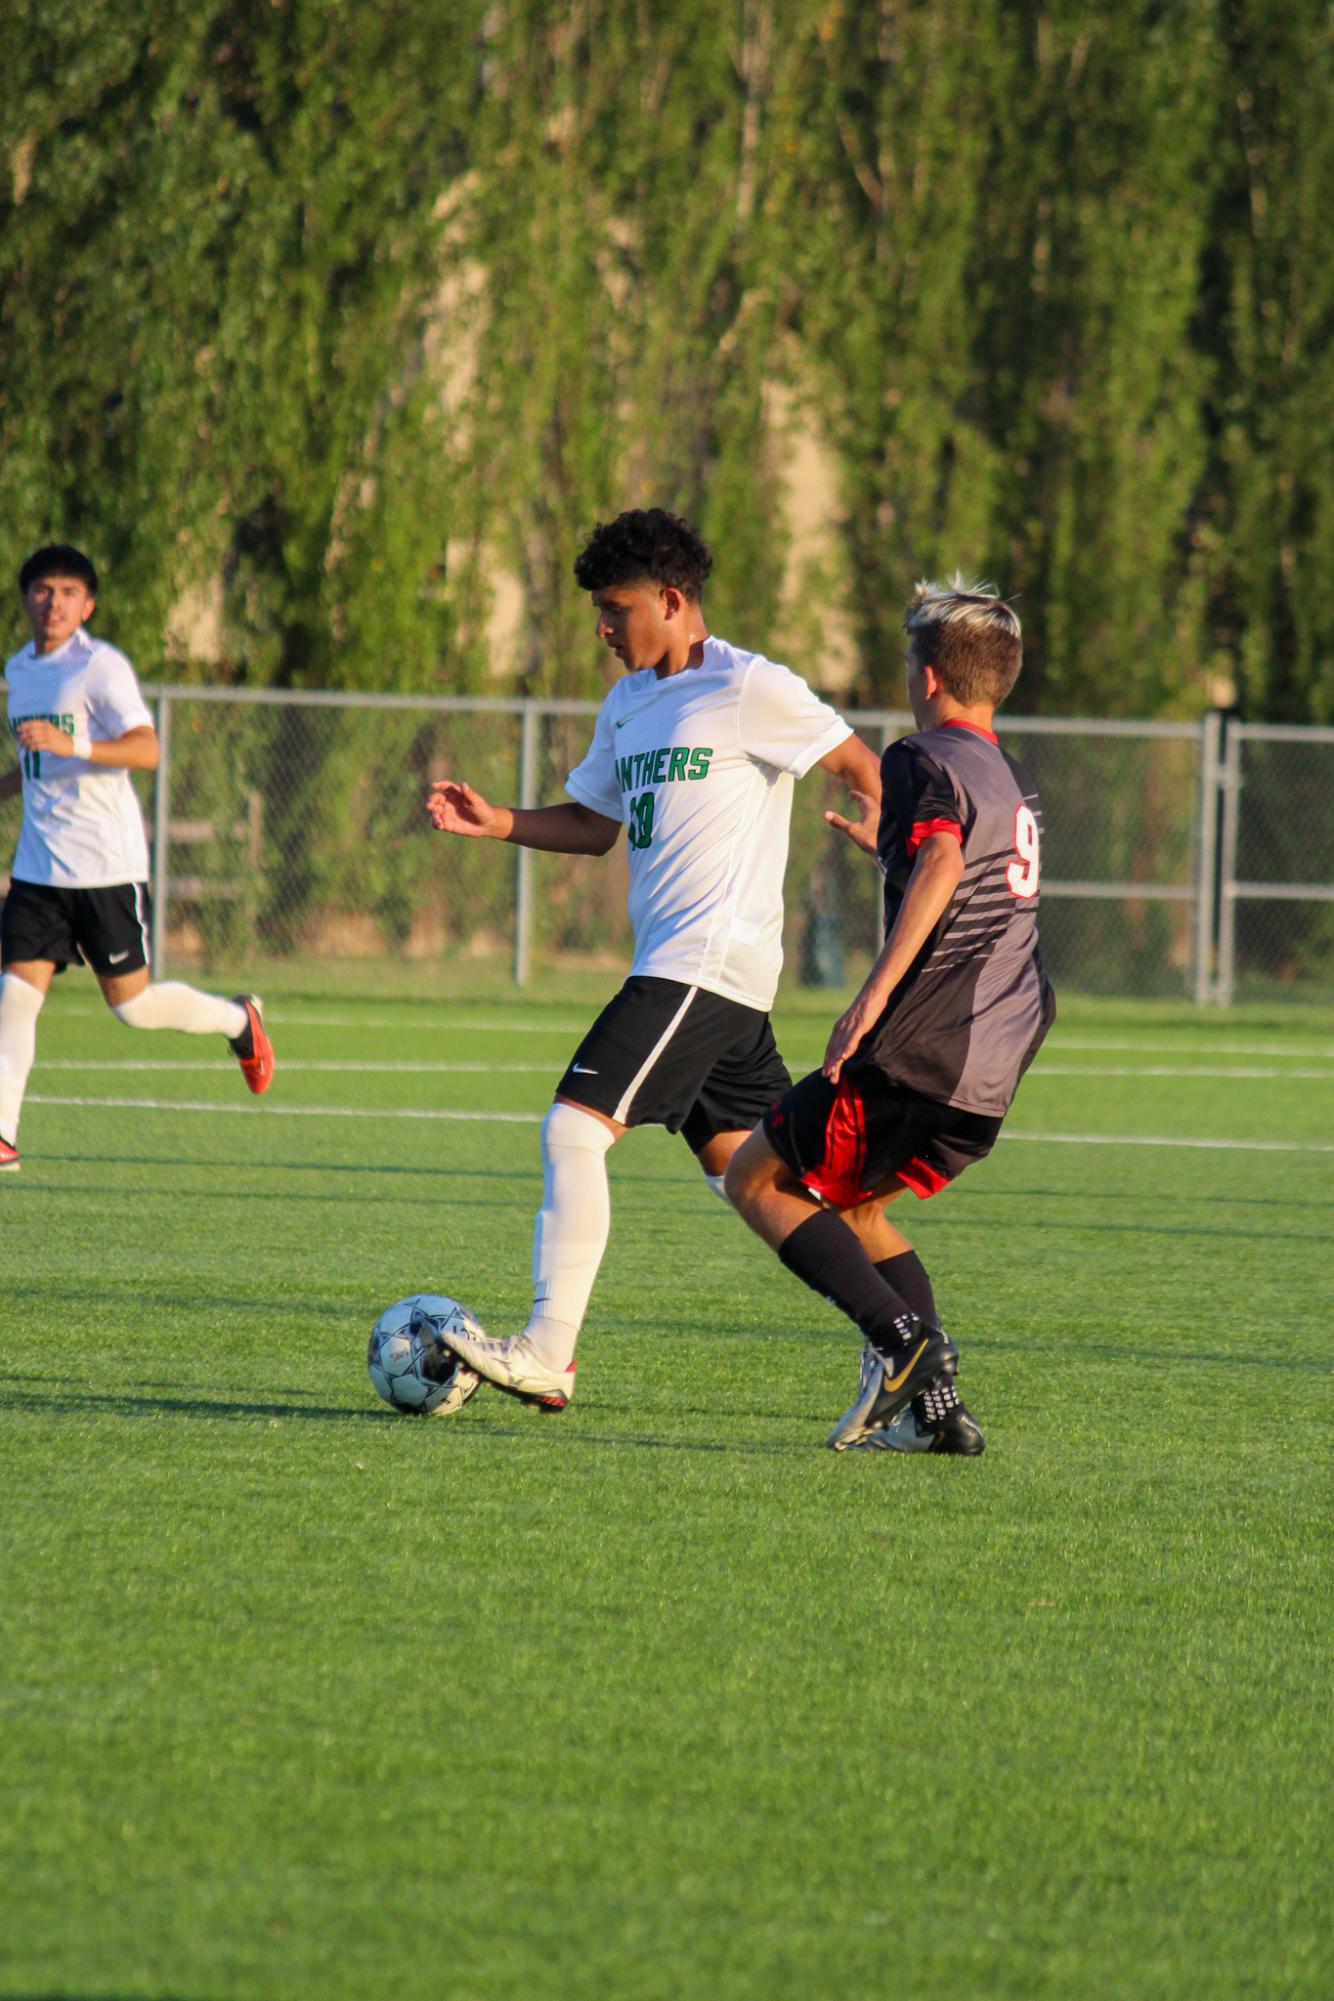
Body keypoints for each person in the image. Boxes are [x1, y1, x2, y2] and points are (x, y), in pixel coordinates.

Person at [426, 506, 882, 1409]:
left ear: (674, 601)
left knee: (573, 1127)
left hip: (701, 963)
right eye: (597, 609)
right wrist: (500, 822)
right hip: (708, 981)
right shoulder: (628, 701)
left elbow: (861, 764)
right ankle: (907, 1339)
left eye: (616, 607)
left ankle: (550, 1350)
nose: (602, 626)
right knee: (765, 1184)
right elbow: (598, 826)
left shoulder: (750, 685)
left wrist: (881, 811)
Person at [725, 577, 1055, 1455]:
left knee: (755, 1178)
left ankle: (904, 1344)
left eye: (912, 661)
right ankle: (938, 1415)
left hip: (920, 1053)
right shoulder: (1013, 779)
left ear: (934, 676)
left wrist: (868, 1000)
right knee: (861, 1211)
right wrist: (895, 857)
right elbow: (962, 873)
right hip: (991, 1074)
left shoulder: (920, 755)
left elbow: (946, 859)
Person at [0, 544, 274, 1171]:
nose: (54, 602)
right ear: (25, 600)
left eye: (68, 592)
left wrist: (75, 741)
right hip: (40, 867)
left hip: (104, 865)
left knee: (133, 1007)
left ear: (88, 604)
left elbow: (146, 750)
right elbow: (36, 760)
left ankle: (239, 1021)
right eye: (43, 590)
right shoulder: (21, 669)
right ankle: (4, 1135)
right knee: (15, 994)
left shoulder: (100, 666)